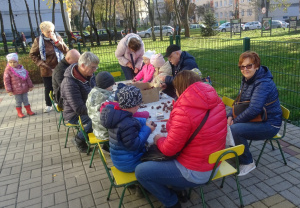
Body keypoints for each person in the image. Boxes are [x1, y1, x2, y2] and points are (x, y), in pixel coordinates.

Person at [135, 70, 227, 208]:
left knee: (141, 171)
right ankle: (179, 190)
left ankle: (171, 201)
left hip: (196, 171)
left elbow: (169, 149)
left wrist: (158, 139)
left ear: (179, 89)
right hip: (214, 164)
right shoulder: (217, 102)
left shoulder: (184, 111)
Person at [227, 51, 282, 176]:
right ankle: (236, 149)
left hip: (270, 124)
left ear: (256, 66)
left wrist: (235, 121)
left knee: (235, 129)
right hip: (258, 119)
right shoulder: (247, 79)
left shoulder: (263, 83)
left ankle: (247, 162)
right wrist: (230, 115)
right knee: (227, 123)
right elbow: (239, 101)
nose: (245, 69)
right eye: (242, 66)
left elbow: (254, 109)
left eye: (249, 66)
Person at [100, 85, 156, 173]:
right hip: (130, 163)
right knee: (156, 157)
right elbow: (135, 145)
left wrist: (143, 122)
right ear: (135, 106)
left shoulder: (117, 115)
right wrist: (147, 129)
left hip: (120, 160)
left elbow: (132, 120)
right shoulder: (127, 124)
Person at [60, 52, 97, 153]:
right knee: (99, 118)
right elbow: (79, 109)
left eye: (96, 68)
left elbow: (96, 90)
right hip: (74, 114)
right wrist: (98, 108)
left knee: (109, 114)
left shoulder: (89, 74)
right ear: (83, 66)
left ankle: (106, 142)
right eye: (93, 67)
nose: (94, 71)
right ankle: (79, 139)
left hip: (88, 107)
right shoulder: (70, 83)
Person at [29, 21, 69, 113]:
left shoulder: (57, 37)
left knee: (61, 85)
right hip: (47, 68)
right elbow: (32, 55)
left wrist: (56, 41)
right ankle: (48, 104)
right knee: (48, 87)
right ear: (42, 31)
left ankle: (60, 102)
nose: (50, 33)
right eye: (48, 32)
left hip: (60, 67)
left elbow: (66, 50)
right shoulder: (38, 40)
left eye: (52, 31)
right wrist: (43, 64)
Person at [3, 53, 35, 118]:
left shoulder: (22, 69)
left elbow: (27, 78)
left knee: (26, 100)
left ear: (17, 62)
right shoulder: (8, 71)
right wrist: (9, 90)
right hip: (16, 90)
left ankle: (28, 110)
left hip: (24, 88)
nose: (12, 64)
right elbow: (6, 82)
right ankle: (19, 112)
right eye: (10, 62)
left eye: (14, 62)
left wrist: (30, 86)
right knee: (18, 101)